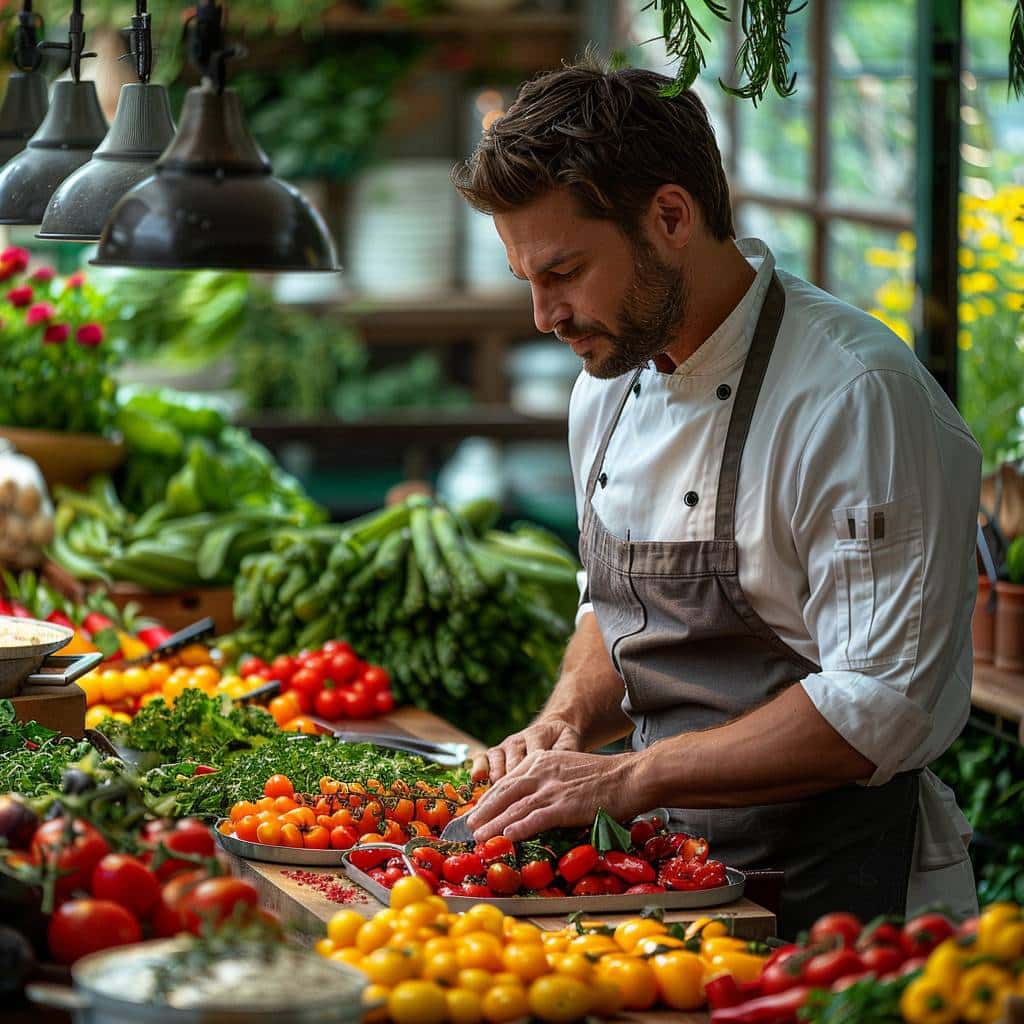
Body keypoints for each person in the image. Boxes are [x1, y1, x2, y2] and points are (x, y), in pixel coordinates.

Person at [450, 57, 981, 936]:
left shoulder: (856, 399)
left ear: (670, 217)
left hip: (838, 904)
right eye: (528, 281)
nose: (545, 316)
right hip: (664, 885)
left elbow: (876, 709)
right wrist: (566, 724)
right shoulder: (607, 383)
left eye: (566, 272)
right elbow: (611, 608)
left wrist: (626, 779)